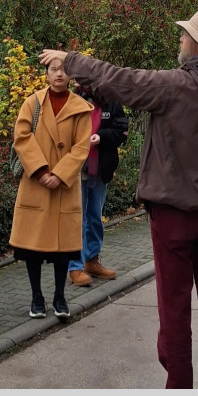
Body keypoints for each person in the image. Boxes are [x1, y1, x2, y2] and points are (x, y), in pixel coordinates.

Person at [39, 3, 198, 389]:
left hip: (174, 217)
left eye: (185, 34)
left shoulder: (176, 85)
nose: (180, 38)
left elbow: (118, 79)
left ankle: (178, 387)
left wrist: (69, 59)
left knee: (174, 311)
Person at [10, 54, 92, 321]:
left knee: (63, 248)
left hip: (64, 186)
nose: (59, 74)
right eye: (53, 69)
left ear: (71, 75)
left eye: (64, 70)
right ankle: (36, 297)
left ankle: (59, 297)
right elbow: (22, 138)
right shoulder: (32, 103)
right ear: (45, 74)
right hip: (36, 183)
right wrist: (42, 171)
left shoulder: (81, 107)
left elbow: (82, 147)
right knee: (32, 246)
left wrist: (59, 174)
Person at [66, 83, 129, 287]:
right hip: (76, 169)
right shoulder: (71, 99)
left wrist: (100, 137)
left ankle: (92, 260)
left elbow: (121, 130)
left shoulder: (110, 100)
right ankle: (74, 266)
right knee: (77, 218)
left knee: (94, 216)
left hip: (100, 168)